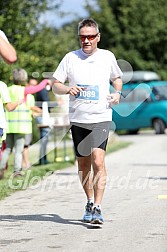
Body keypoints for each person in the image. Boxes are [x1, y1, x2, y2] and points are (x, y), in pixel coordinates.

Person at [52, 18, 123, 225]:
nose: (87, 40)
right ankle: (89, 202)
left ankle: (98, 208)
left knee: (98, 161)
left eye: (91, 36)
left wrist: (117, 93)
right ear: (79, 38)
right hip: (78, 119)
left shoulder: (107, 57)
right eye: (83, 37)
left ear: (98, 37)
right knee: (83, 164)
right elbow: (55, 84)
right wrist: (67, 89)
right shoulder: (70, 58)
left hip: (101, 117)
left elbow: (116, 78)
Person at [0, 68, 50, 178]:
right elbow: (38, 88)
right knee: (19, 150)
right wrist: (46, 81)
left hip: (9, 125)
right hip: (22, 126)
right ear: (24, 78)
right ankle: (17, 171)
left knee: (7, 149)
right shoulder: (24, 90)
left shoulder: (7, 89)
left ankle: (1, 169)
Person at [29, 78, 51, 165]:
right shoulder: (42, 91)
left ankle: (43, 159)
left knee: (44, 138)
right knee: (44, 138)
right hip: (42, 117)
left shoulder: (36, 92)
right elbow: (45, 105)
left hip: (41, 116)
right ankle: (42, 159)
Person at [22, 80, 42, 169]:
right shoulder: (29, 96)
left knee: (24, 145)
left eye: (35, 85)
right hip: (25, 123)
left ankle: (23, 163)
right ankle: (26, 163)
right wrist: (39, 111)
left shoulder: (29, 95)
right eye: (32, 85)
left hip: (26, 122)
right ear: (28, 84)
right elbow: (30, 107)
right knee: (25, 145)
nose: (33, 87)